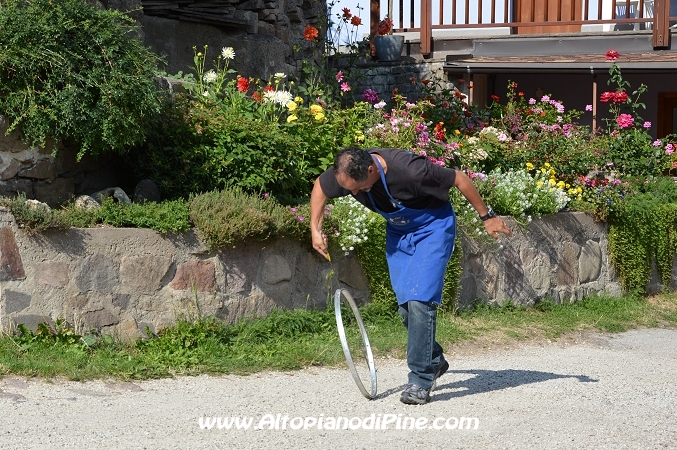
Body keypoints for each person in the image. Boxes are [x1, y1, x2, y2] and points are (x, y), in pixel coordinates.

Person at [310, 147, 512, 405]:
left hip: (433, 228)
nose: (354, 194)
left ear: (371, 170)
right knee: (407, 307)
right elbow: (321, 186)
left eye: (358, 188)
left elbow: (459, 178)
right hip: (399, 233)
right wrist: (315, 229)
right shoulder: (349, 174)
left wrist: (487, 216)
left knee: (420, 301)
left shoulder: (411, 171)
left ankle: (420, 379)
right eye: (349, 189)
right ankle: (434, 360)